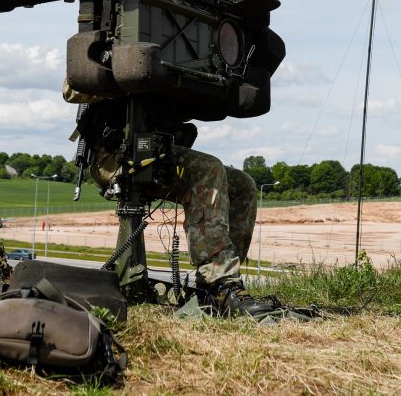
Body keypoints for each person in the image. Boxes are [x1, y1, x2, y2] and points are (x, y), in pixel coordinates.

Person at [66, 87, 282, 319]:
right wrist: (127, 72)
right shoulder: (110, 50)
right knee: (208, 169)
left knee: (243, 185)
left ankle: (220, 288)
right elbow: (71, 90)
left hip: (158, 150)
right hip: (114, 154)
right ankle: (219, 281)